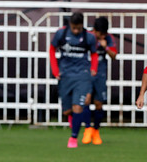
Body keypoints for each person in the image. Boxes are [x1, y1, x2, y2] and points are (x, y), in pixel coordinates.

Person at [49, 12, 98, 149]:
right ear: (70, 25)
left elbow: (94, 53)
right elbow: (52, 49)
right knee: (67, 111)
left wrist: (93, 68)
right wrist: (55, 69)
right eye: (74, 28)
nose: (76, 31)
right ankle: (74, 124)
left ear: (82, 25)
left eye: (78, 28)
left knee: (78, 106)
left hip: (82, 75)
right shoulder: (61, 34)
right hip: (65, 75)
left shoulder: (89, 37)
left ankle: (73, 137)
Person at [83, 17, 117, 145]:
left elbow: (114, 56)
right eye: (100, 33)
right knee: (86, 100)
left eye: (104, 33)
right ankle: (87, 129)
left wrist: (106, 47)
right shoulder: (87, 36)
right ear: (94, 30)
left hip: (100, 74)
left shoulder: (108, 38)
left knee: (98, 103)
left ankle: (96, 131)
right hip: (87, 72)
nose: (102, 36)